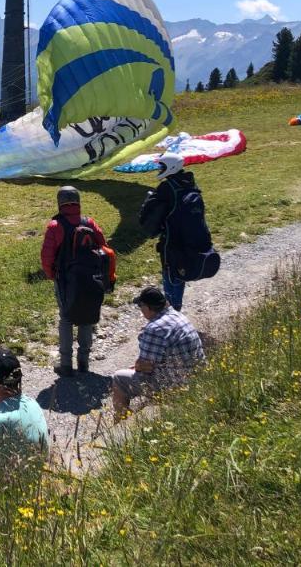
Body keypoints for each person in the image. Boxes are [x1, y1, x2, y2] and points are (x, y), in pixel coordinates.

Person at [40, 186, 113, 376]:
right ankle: (84, 363)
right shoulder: (89, 222)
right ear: (78, 201)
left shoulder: (55, 226)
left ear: (60, 202)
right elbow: (104, 247)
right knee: (86, 318)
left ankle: (66, 365)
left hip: (65, 280)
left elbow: (46, 257)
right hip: (90, 278)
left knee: (66, 319)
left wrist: (51, 275)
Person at [111, 286, 205, 419]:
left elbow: (145, 367)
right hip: (198, 379)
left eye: (140, 306)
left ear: (148, 307)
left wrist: (138, 366)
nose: (141, 310)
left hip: (176, 385)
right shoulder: (177, 316)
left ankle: (121, 422)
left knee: (118, 378)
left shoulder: (155, 328)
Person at [138, 153, 211, 311]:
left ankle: (170, 315)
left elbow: (152, 213)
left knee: (171, 276)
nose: (160, 169)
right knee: (180, 274)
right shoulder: (189, 183)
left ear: (171, 168)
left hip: (172, 242)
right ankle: (174, 311)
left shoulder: (168, 187)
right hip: (188, 241)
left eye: (162, 166)